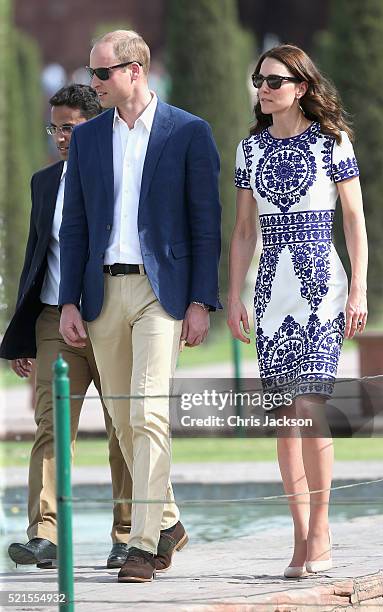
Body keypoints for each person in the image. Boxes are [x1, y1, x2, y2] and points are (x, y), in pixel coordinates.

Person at [59, 30, 221, 583]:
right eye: (91, 74)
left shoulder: (189, 132)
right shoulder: (87, 140)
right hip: (102, 291)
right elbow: (75, 224)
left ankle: (145, 544)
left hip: (161, 293)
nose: (93, 84)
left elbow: (207, 226)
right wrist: (68, 302)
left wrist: (201, 300)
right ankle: (170, 519)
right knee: (124, 421)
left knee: (148, 413)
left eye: (101, 74)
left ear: (134, 70)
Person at [228, 45, 368, 578]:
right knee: (285, 422)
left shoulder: (332, 143)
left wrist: (358, 290)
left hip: (321, 289)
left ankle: (322, 530)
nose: (263, 88)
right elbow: (243, 231)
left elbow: (354, 222)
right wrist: (235, 294)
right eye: (259, 80)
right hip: (271, 293)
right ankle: (298, 533)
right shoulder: (250, 150)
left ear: (301, 87)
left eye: (274, 81)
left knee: (310, 409)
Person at [0, 84, 133, 570]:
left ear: (94, 126)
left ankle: (126, 535)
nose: (60, 136)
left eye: (69, 127)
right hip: (54, 321)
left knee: (123, 429)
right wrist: (22, 335)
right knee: (50, 428)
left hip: (111, 317)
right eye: (54, 127)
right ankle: (45, 535)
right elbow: (36, 259)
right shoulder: (43, 182)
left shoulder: (119, 178)